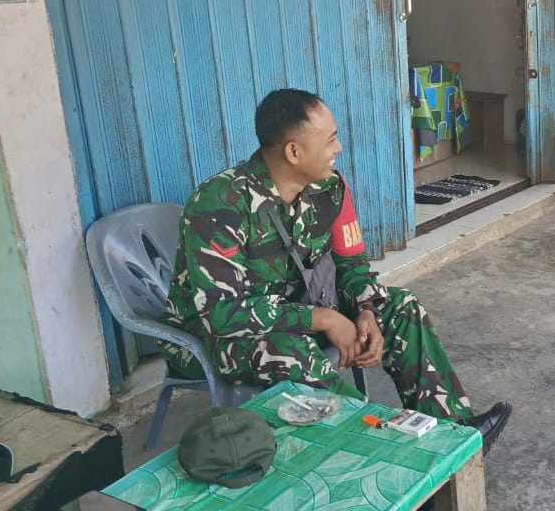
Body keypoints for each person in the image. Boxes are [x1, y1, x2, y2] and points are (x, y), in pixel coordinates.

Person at [159, 88, 511, 450]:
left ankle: (453, 438)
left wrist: (366, 309)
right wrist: (323, 319)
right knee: (291, 349)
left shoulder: (329, 189)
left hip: (297, 314)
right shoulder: (220, 205)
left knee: (402, 307)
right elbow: (222, 314)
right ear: (294, 152)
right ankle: (383, 451)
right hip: (213, 340)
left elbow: (351, 264)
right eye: (330, 140)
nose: (338, 148)